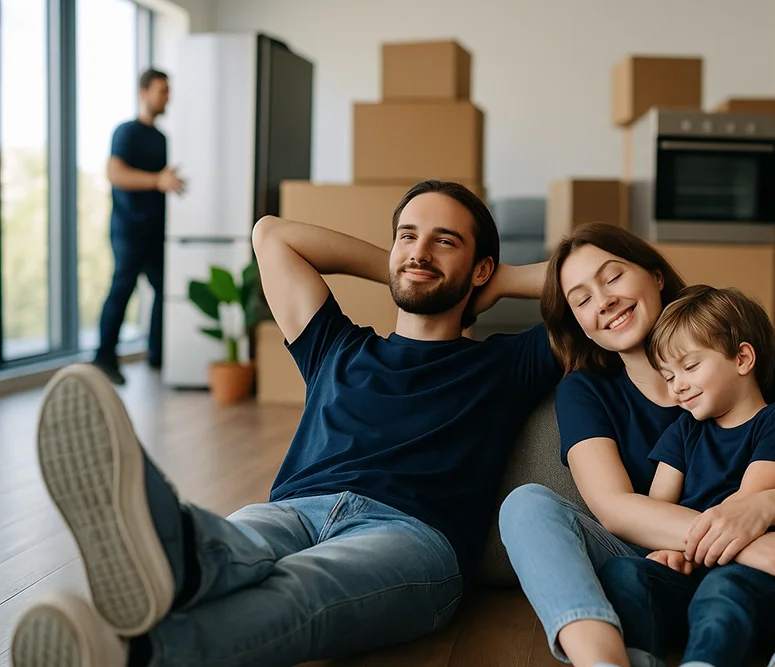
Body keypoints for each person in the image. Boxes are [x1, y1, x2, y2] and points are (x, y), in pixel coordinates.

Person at [10, 180, 560, 667]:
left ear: (481, 266)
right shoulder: (338, 347)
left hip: (411, 536)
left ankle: (134, 639)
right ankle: (162, 541)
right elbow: (272, 235)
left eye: (445, 240)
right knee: (227, 543)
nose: (419, 251)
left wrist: (500, 279)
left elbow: (628, 285)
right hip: (294, 511)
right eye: (407, 235)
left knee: (301, 590)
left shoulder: (507, 363)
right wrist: (404, 268)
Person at [499, 222, 775, 667]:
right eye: (581, 300)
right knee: (525, 506)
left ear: (656, 275)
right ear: (581, 325)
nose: (604, 300)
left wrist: (762, 511)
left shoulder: (758, 358)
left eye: (613, 276)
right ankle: (604, 661)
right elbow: (615, 508)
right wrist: (742, 541)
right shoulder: (584, 389)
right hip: (654, 560)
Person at [598, 284, 775, 667]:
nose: (678, 387)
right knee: (624, 573)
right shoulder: (684, 431)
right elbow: (657, 509)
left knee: (724, 589)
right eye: (669, 376)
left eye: (689, 367)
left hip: (754, 575)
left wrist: (686, 547)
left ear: (742, 358)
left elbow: (742, 513)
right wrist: (668, 551)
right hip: (693, 570)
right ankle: (640, 659)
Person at [93, 68, 186, 385]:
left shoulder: (162, 139)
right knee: (122, 289)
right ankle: (103, 358)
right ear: (144, 93)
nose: (167, 97)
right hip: (128, 230)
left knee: (164, 291)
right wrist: (157, 180)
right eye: (162, 90)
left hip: (155, 231)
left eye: (168, 91)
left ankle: (158, 356)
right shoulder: (126, 133)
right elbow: (115, 173)